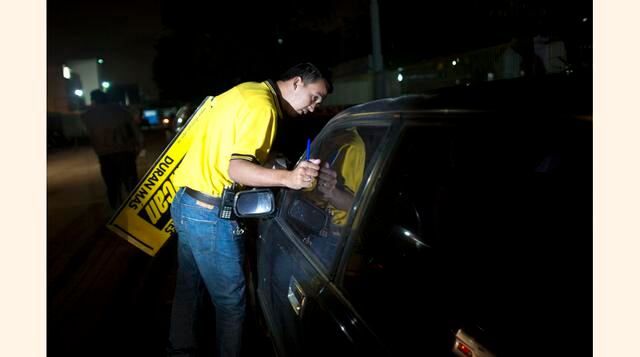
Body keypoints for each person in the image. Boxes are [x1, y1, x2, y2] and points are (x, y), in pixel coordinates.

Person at [167, 63, 333, 357]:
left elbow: (230, 151)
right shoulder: (264, 108)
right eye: (315, 96)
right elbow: (237, 169)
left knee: (189, 288)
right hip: (211, 213)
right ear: (297, 83)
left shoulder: (246, 92)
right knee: (231, 305)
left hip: (186, 202)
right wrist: (290, 179)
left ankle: (180, 350)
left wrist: (276, 163)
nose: (315, 107)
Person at [82, 89, 142, 210]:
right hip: (126, 154)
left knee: (112, 187)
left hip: (105, 157)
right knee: (131, 186)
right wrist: (137, 149)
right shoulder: (121, 111)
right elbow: (137, 133)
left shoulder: (87, 116)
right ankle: (138, 213)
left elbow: (89, 134)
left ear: (93, 100)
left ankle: (117, 214)